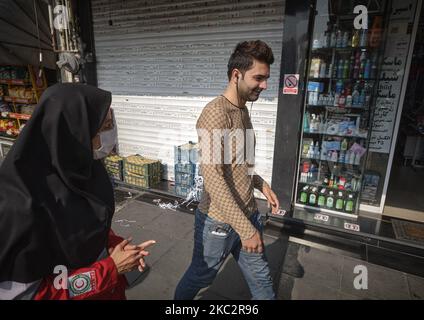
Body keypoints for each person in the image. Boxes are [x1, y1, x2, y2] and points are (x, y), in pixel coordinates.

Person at [0, 83, 155, 300]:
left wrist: (113, 245)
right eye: (103, 128)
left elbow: (89, 226)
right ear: (73, 133)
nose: (108, 139)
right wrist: (110, 269)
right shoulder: (17, 207)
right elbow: (28, 295)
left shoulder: (85, 171)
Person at [174, 40, 280, 300]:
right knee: (200, 276)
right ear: (236, 75)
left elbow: (237, 164)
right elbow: (213, 178)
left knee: (263, 284)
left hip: (248, 215)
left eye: (266, 78)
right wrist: (246, 230)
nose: (265, 85)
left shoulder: (242, 110)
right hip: (218, 224)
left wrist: (259, 183)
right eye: (259, 78)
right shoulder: (215, 114)